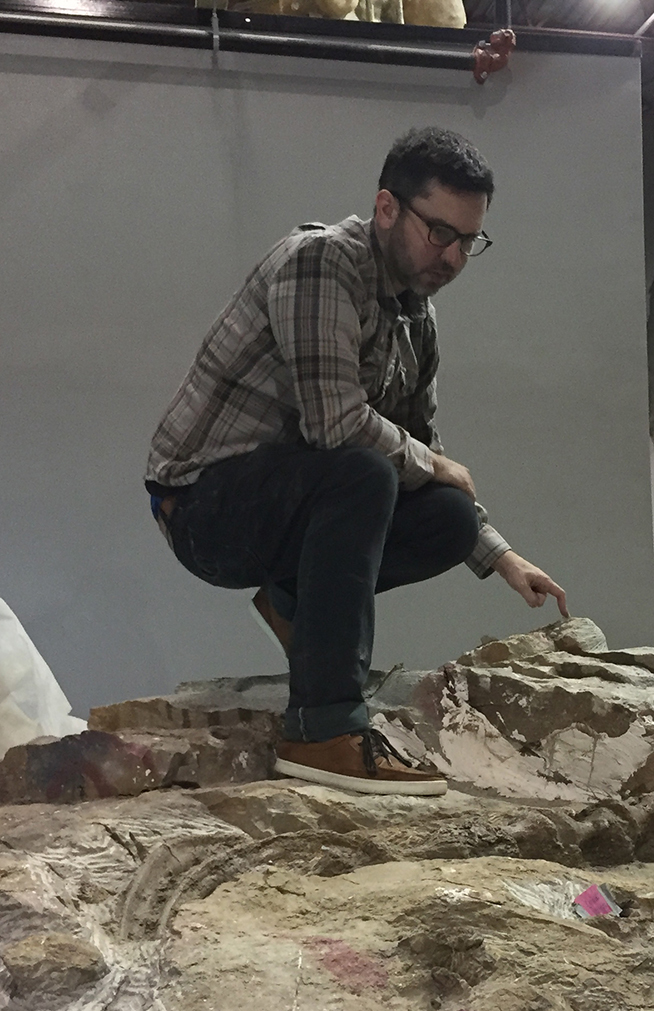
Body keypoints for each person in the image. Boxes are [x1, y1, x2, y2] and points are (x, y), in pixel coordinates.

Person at [145, 126, 567, 796]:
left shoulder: (415, 318)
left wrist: (500, 554)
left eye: (469, 240)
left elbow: (419, 449)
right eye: (440, 232)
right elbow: (337, 425)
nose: (454, 256)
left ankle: (292, 604)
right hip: (201, 505)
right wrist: (427, 459)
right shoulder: (320, 264)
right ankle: (322, 729)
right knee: (364, 469)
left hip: (291, 496)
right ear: (387, 207)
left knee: (448, 518)